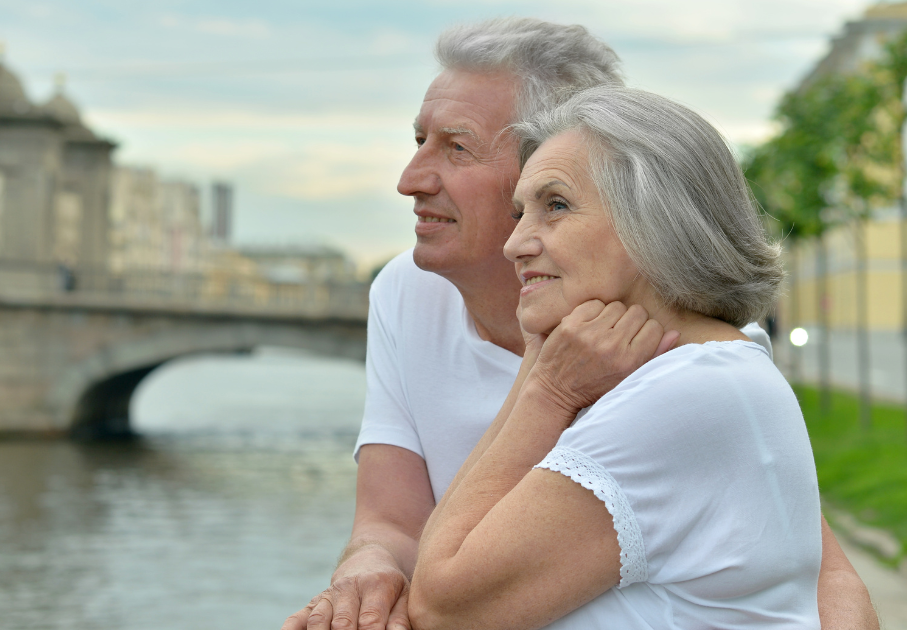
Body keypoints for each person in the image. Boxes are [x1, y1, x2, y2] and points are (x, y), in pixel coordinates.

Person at [283, 17, 878, 630]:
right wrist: (366, 576)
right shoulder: (406, 294)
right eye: (419, 141)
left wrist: (548, 387)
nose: (411, 180)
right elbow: (394, 521)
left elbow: (813, 562)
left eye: (457, 146)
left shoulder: (684, 361)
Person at [411, 84, 820, 628]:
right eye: (520, 213)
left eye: (555, 205)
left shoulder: (689, 393)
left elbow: (443, 605)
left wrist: (548, 390)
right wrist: (542, 353)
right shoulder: (702, 369)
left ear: (653, 221)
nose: (516, 244)